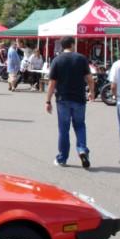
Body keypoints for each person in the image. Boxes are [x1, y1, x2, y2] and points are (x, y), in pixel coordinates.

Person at [45, 36, 94, 169]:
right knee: (80, 126)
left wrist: (48, 101)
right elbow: (89, 78)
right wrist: (91, 92)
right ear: (72, 44)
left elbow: (52, 83)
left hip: (62, 99)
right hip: (79, 98)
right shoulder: (81, 58)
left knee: (63, 129)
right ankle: (82, 149)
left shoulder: (57, 60)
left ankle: (62, 158)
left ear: (62, 46)